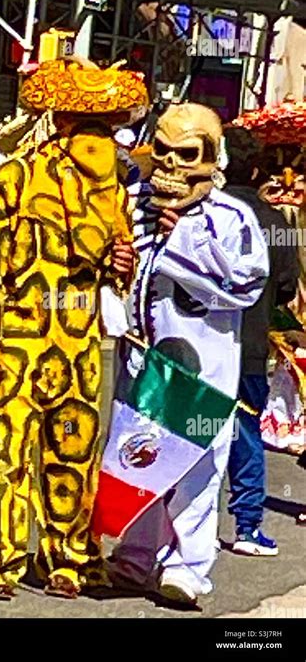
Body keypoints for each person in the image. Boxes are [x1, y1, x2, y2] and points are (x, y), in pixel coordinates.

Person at [0, 57, 148, 600]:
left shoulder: (112, 193)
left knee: (75, 454)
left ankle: (67, 559)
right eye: (92, 127)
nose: (103, 139)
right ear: (62, 125)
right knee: (6, 455)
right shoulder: (11, 178)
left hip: (80, 342)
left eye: (108, 128)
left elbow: (114, 270)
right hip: (18, 337)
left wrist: (121, 267)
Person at [105, 103, 269, 606]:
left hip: (204, 363)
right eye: (163, 152)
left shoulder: (231, 217)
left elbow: (245, 284)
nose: (172, 167)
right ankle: (135, 555)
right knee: (138, 452)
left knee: (196, 463)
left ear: (211, 161)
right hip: (142, 358)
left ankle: (188, 566)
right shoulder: (133, 205)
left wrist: (183, 243)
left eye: (187, 155)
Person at [223, 127, 299, 556]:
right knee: (245, 430)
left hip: (195, 346)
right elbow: (286, 288)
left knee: (192, 432)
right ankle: (248, 525)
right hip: (250, 346)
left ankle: (170, 526)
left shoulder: (200, 213)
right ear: (257, 171)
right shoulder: (273, 223)